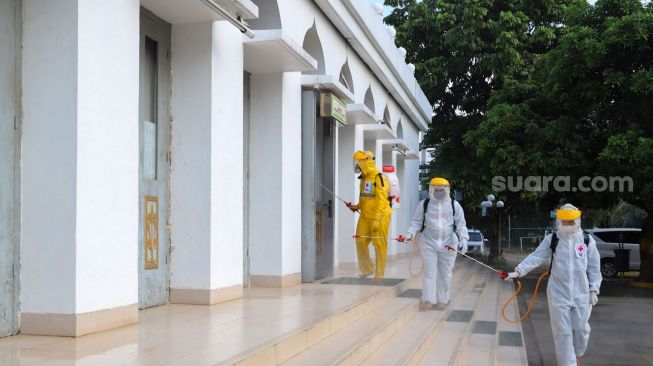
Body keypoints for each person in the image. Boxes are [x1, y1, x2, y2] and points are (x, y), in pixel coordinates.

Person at [505, 203, 602, 366]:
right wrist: (519, 271)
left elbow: (594, 266)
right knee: (562, 332)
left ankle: (577, 354)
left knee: (581, 329)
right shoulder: (553, 239)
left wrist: (594, 289)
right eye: (565, 222)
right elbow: (537, 256)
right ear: (559, 222)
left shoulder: (586, 240)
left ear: (578, 221)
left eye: (572, 222)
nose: (569, 225)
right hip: (558, 292)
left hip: (581, 292)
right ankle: (568, 363)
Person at [406, 177, 469, 310]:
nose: (439, 192)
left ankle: (443, 299)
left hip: (449, 243)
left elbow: (461, 224)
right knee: (430, 272)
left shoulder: (454, 205)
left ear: (447, 190)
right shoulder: (424, 204)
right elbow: (416, 222)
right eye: (436, 189)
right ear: (431, 189)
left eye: (442, 190)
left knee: (445, 273)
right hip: (428, 243)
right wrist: (410, 233)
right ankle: (428, 299)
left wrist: (464, 239)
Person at [347, 151, 391, 279]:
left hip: (380, 215)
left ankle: (379, 275)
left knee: (379, 244)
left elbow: (382, 200)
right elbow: (366, 197)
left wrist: (377, 218)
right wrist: (356, 206)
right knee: (360, 240)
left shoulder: (379, 177)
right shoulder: (364, 177)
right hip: (365, 215)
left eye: (359, 163)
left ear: (367, 162)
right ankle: (367, 270)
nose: (357, 165)